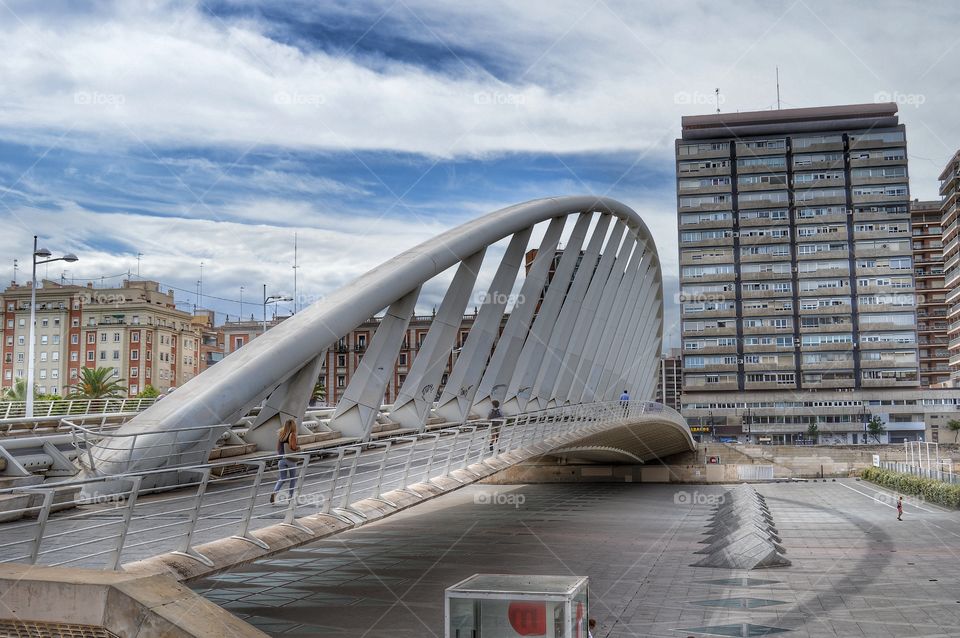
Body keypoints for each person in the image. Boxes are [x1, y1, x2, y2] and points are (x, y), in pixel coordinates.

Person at [270, 418, 300, 504]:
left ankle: (275, 492)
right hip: (290, 459)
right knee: (293, 479)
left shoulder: (281, 435)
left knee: (282, 478)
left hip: (281, 460)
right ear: (293, 426)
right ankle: (290, 497)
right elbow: (293, 447)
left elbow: (278, 449)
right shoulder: (292, 435)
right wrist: (298, 448)